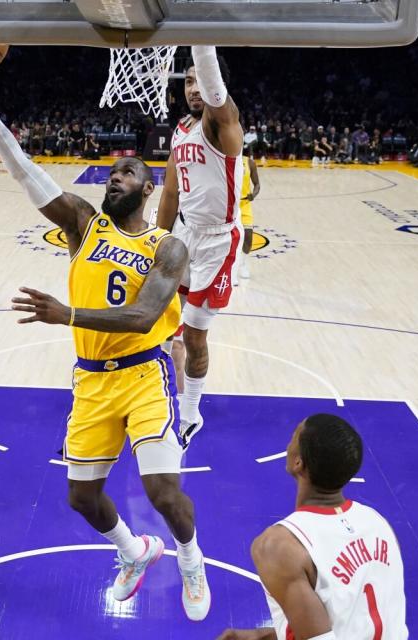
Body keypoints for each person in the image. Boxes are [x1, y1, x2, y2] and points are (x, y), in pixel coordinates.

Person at [0, 45, 212, 622]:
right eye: (112, 173)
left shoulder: (166, 247)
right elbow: (21, 167)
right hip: (91, 381)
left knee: (164, 490)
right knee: (81, 498)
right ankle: (134, 552)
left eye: (129, 174)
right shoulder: (83, 226)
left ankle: (191, 558)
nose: (116, 179)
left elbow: (142, 319)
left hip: (143, 376)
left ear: (147, 189)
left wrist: (67, 315)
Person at [216, 414, 408, 640]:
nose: (289, 442)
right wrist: (266, 635)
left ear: (298, 462)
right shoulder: (378, 523)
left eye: (294, 435)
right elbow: (352, 621)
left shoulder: (278, 546)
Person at [156, 46, 244, 449]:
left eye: (199, 81)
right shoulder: (180, 131)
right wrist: (154, 241)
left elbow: (215, 91)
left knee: (194, 335)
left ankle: (191, 411)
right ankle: (161, 389)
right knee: (166, 324)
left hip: (218, 243)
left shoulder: (221, 122)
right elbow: (171, 192)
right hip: (185, 234)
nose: (193, 88)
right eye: (187, 81)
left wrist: (198, 31)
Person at [234, 154, 260, 285]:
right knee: (228, 240)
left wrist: (253, 195)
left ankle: (242, 264)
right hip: (229, 205)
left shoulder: (249, 162)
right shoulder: (224, 158)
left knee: (248, 238)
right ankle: (229, 271)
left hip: (244, 205)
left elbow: (257, 185)